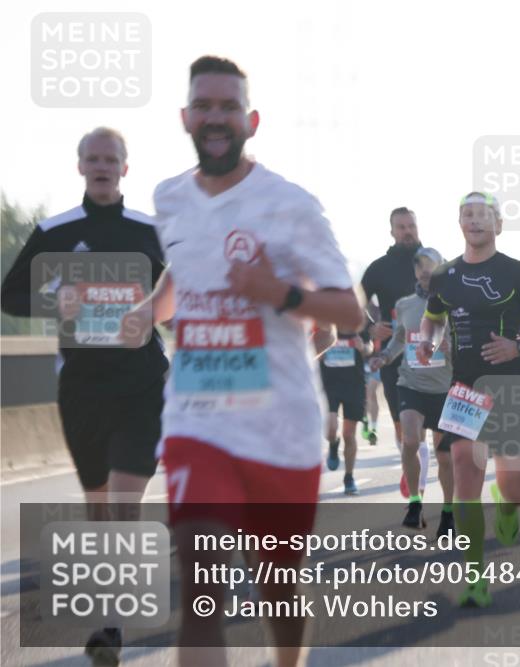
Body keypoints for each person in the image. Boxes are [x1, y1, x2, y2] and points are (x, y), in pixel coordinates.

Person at [135, 55, 363, 667]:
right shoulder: (169, 198)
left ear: (251, 120)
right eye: (204, 105)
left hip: (280, 429)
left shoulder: (290, 205)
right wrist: (147, 310)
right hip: (197, 418)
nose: (215, 117)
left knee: (279, 589)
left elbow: (351, 311)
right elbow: (186, 273)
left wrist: (279, 293)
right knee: (201, 586)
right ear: (185, 116)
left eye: (228, 107)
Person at [0, 126, 167, 665]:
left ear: (125, 167)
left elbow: (186, 290)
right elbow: (10, 295)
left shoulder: (151, 231)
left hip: (141, 383)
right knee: (99, 505)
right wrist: (58, 302)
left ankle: (109, 622)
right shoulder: (54, 231)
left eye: (110, 158)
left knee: (122, 501)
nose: (101, 166)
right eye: (92, 158)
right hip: (81, 388)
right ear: (80, 167)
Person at [417, 192, 520, 607]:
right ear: (460, 223)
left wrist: (519, 347)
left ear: (498, 223)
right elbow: (433, 318)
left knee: (515, 486)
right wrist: (427, 341)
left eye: (482, 214)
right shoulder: (443, 276)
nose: (474, 220)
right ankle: (475, 576)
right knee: (463, 469)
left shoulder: (517, 273)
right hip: (465, 386)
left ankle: (508, 510)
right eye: (467, 214)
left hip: (509, 384)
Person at [371, 247, 455, 537]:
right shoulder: (405, 304)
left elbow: (469, 344)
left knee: (445, 456)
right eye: (419, 265)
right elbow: (397, 340)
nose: (424, 270)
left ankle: (447, 512)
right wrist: (384, 357)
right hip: (411, 383)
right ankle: (416, 504)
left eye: (430, 264)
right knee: (409, 439)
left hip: (443, 388)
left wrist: (451, 347)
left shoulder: (455, 305)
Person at [361, 207, 422, 458]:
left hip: (432, 354)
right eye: (401, 227)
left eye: (411, 226)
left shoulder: (435, 263)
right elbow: (356, 302)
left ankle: (418, 471)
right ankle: (411, 464)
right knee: (402, 422)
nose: (407, 232)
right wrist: (370, 327)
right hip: (393, 355)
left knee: (423, 420)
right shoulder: (379, 268)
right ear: (392, 231)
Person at [314, 326, 371, 495]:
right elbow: (309, 348)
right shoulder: (322, 319)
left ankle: (349, 477)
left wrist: (363, 348)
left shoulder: (355, 317)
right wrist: (318, 353)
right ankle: (333, 443)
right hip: (328, 383)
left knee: (349, 434)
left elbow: (370, 347)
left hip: (353, 383)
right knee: (330, 430)